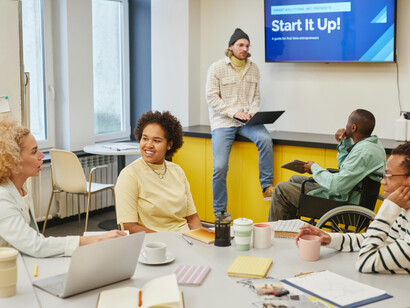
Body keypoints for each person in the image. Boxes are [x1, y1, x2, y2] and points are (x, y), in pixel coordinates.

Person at [0, 117, 125, 258]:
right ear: (13, 159)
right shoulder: (2, 198)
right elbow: (36, 245)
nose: (41, 155)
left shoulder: (20, 188)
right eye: (34, 151)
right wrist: (90, 240)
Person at [296, 142, 410, 274]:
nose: (382, 181)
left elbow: (366, 261)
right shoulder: (404, 210)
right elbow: (376, 240)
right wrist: (330, 238)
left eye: (388, 175)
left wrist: (388, 207)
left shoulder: (395, 208)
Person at [269, 109, 386, 221]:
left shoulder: (363, 152)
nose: (345, 127)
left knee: (281, 189)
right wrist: (344, 142)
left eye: (347, 123)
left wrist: (314, 168)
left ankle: (275, 234)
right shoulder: (373, 145)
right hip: (353, 192)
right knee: (295, 179)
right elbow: (345, 168)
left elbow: (338, 185)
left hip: (345, 200)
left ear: (354, 127)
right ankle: (288, 230)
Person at [206, 28, 274, 214]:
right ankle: (220, 211)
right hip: (223, 122)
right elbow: (212, 98)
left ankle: (267, 187)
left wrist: (252, 113)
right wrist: (233, 112)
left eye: (247, 45)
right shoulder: (217, 67)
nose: (244, 48)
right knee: (220, 167)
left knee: (265, 140)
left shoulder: (254, 68)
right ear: (231, 47)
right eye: (240, 45)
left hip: (247, 122)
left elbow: (256, 98)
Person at [115, 111, 201, 233]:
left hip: (185, 239)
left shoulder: (177, 171)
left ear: (169, 144)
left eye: (157, 140)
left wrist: (203, 240)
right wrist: (169, 241)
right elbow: (129, 227)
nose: (149, 145)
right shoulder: (129, 175)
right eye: (145, 138)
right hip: (154, 244)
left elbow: (192, 218)